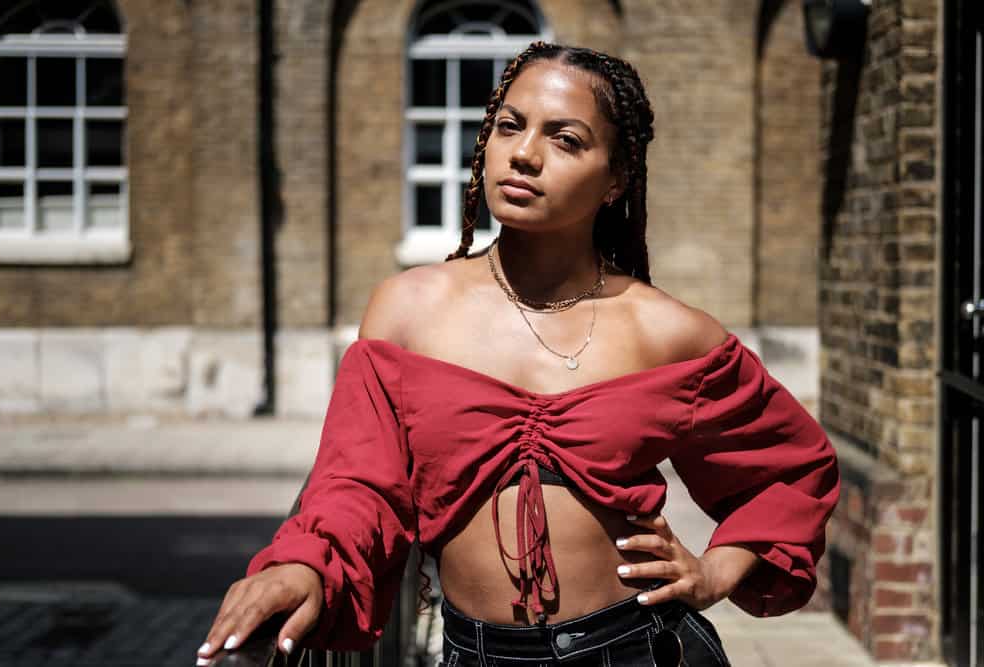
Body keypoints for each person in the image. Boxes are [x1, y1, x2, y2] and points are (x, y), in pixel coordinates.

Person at [196, 42, 840, 666]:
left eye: (565, 140)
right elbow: (359, 482)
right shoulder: (408, 310)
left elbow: (791, 469)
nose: (524, 155)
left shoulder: (668, 332)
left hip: (635, 649)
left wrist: (713, 573)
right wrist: (302, 566)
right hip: (473, 655)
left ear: (616, 179)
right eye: (509, 126)